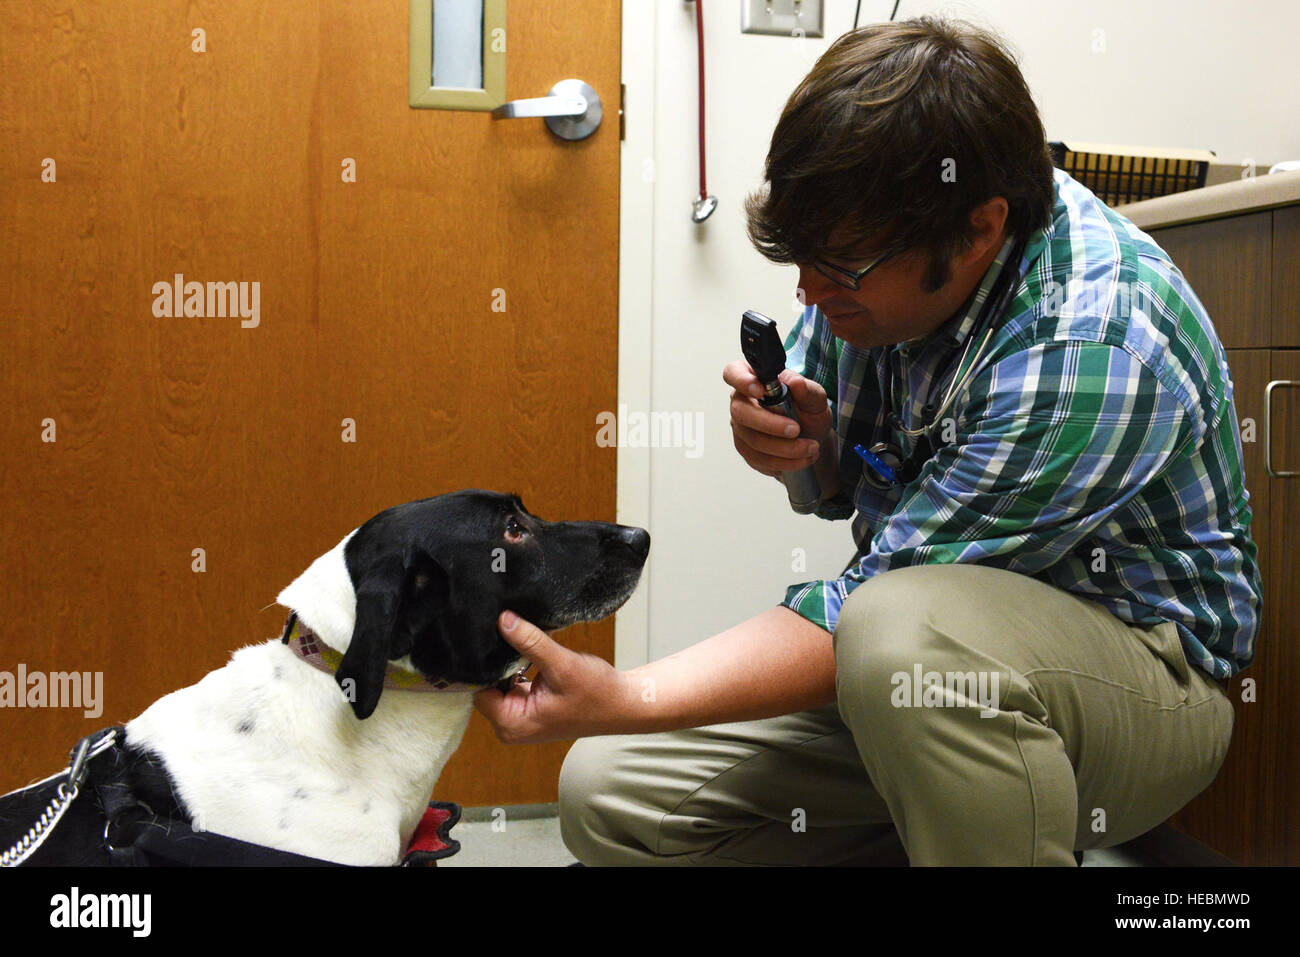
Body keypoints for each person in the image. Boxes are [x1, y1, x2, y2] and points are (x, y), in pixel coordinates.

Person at [472, 16, 1261, 866]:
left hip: (1142, 679)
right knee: (610, 791)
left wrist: (627, 691)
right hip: (926, 675)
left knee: (898, 633)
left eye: (839, 266)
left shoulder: (1091, 342)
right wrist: (807, 454)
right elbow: (849, 498)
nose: (809, 293)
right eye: (801, 257)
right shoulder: (870, 267)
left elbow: (874, 601)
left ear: (980, 229)